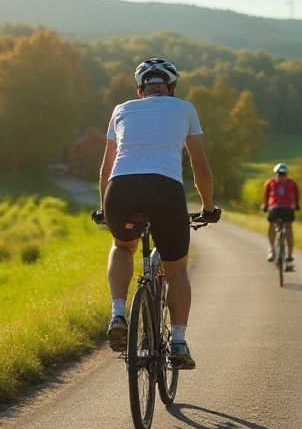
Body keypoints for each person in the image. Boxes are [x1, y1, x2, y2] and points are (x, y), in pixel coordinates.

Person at [93, 58, 219, 370]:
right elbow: (200, 167)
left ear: (140, 90)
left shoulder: (121, 110)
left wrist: (104, 208)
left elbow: (106, 170)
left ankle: (118, 313)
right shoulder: (185, 109)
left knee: (123, 246)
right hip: (165, 190)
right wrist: (207, 207)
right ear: (172, 88)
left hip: (120, 190)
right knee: (176, 270)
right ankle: (178, 341)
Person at [261, 163, 299, 271]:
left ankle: (272, 249)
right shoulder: (292, 183)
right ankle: (290, 256)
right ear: (286, 174)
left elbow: (265, 196)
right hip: (288, 209)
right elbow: (297, 195)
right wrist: (296, 206)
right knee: (288, 228)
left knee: (272, 224)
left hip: (275, 208)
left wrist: (264, 205)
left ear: (276, 173)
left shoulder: (271, 182)